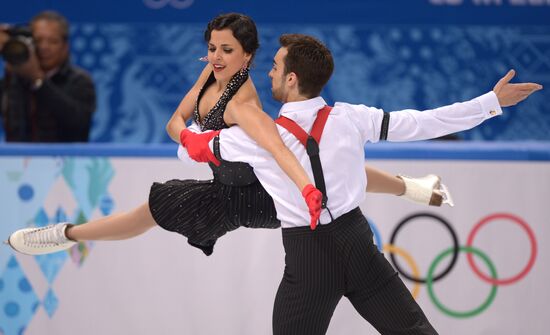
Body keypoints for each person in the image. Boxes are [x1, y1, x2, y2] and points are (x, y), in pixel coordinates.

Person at [181, 34, 542, 334]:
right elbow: (425, 123)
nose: (270, 74)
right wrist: (490, 103)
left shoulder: (258, 138)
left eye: (275, 67)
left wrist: (199, 112)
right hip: (357, 245)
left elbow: (190, 147)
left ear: (292, 79)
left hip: (308, 258)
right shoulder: (352, 118)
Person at [4, 13, 446, 258]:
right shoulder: (209, 77)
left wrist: (308, 189)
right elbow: (173, 122)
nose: (215, 56)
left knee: (322, 166)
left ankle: (66, 234)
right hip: (229, 185)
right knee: (151, 212)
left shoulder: (244, 104)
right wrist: (192, 140)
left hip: (255, 197)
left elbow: (275, 147)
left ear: (248, 56)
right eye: (212, 47)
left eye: (227, 50)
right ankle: (66, 235)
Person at [0, 10, 96, 142]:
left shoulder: (80, 81)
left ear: (65, 46)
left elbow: (77, 122)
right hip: (17, 160)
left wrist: (38, 80)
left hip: (66, 160)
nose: (44, 47)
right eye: (38, 40)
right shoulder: (14, 80)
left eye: (53, 41)